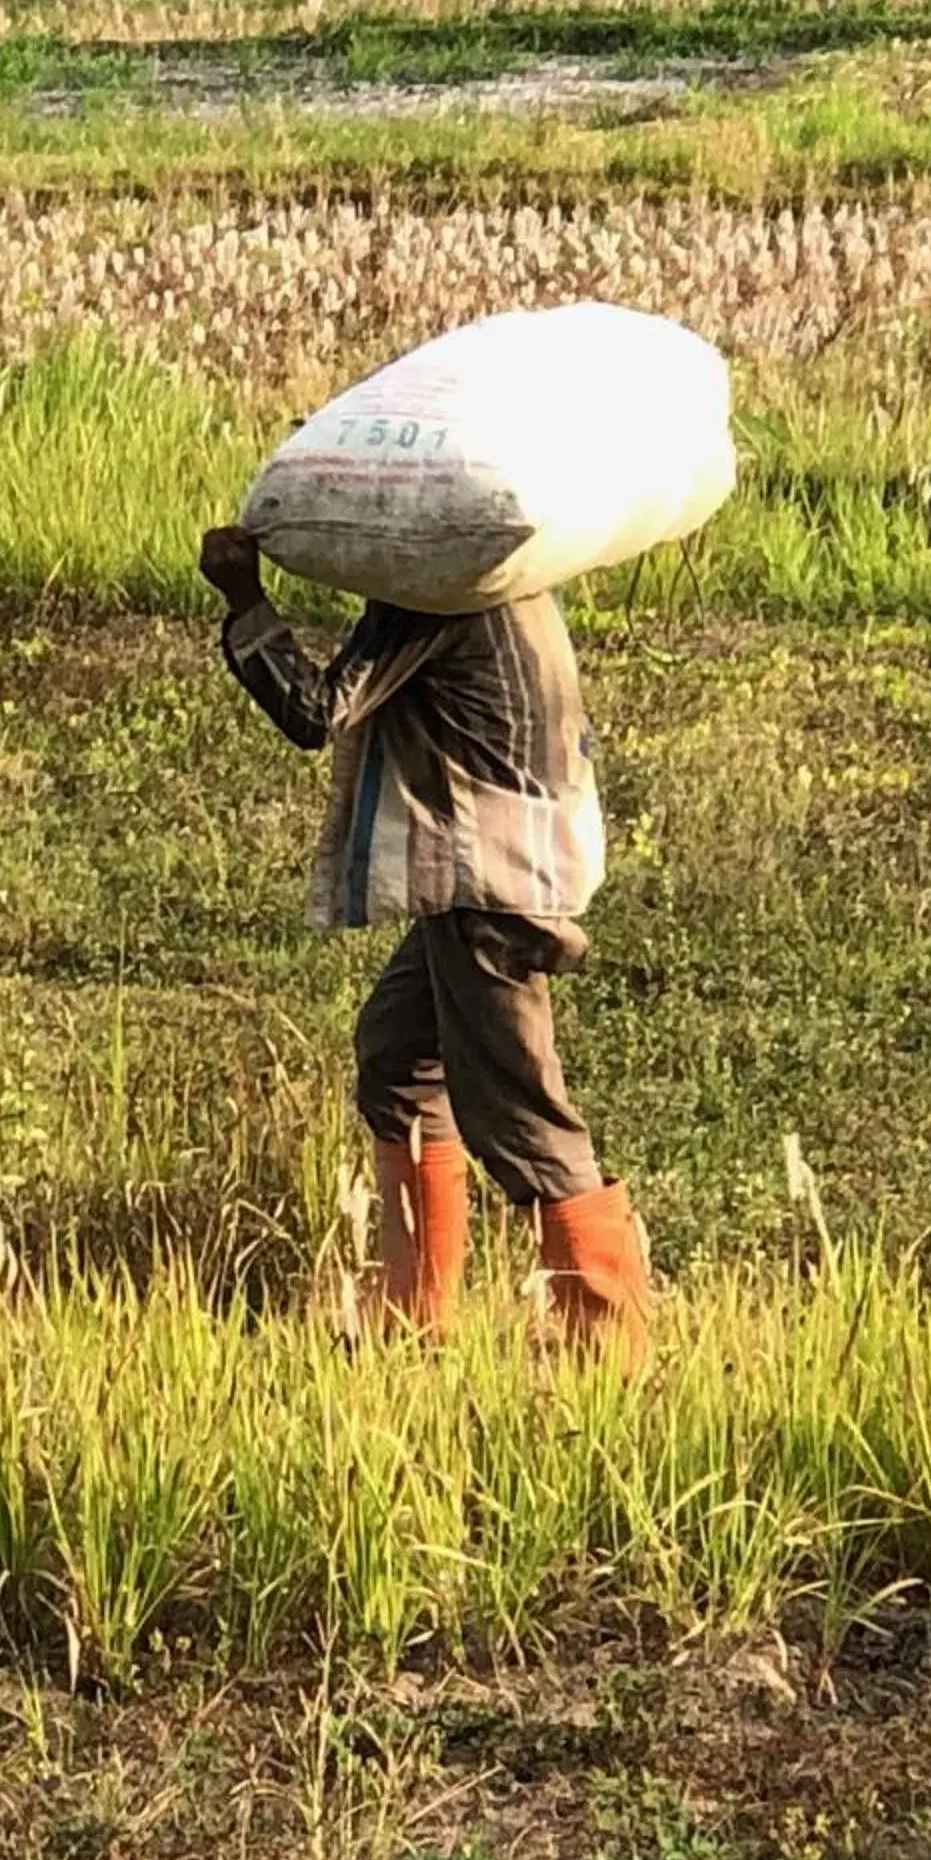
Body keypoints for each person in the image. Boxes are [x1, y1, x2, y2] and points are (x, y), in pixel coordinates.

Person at [198, 523, 648, 1358]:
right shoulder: (510, 578)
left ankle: (608, 1347)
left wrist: (243, 599)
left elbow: (314, 711)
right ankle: (411, 1321)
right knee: (398, 1059)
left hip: (492, 884)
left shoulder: (439, 592)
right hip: (503, 869)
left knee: (521, 1116)